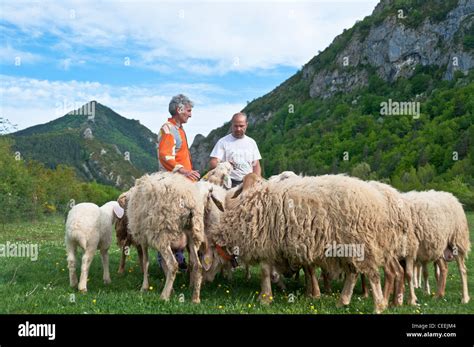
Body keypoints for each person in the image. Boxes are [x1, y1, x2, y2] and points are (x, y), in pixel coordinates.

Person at [156, 94, 200, 272]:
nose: (190, 114)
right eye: (189, 111)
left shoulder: (178, 129)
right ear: (179, 109)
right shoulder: (168, 129)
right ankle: (166, 260)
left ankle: (180, 258)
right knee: (169, 221)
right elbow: (165, 156)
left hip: (182, 183)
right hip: (172, 185)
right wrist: (184, 171)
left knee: (182, 220)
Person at [209, 112, 262, 187]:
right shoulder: (223, 142)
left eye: (241, 126)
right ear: (231, 125)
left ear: (246, 125)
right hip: (228, 183)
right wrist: (225, 165)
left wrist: (257, 180)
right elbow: (213, 162)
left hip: (248, 183)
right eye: (235, 126)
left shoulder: (251, 142)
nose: (238, 129)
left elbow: (256, 165)